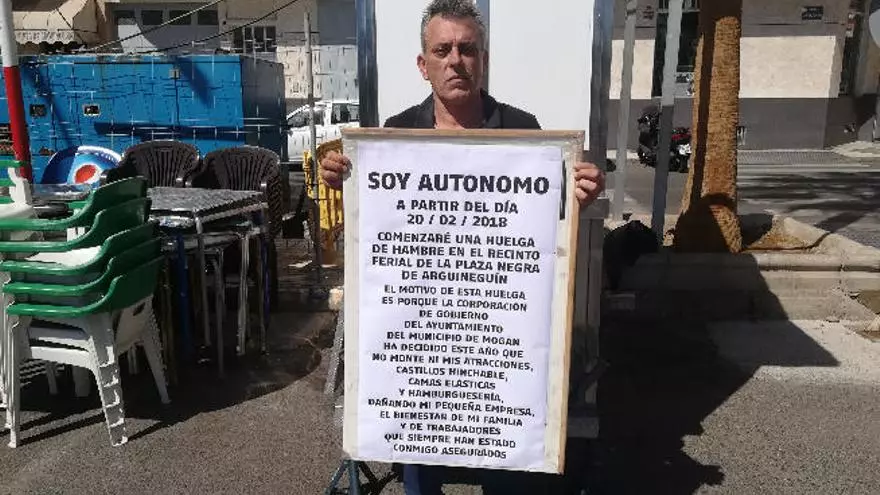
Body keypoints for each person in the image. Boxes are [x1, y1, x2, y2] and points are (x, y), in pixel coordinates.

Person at [320, 1, 605, 493]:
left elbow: (546, 219)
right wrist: (342, 177)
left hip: (493, 332)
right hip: (423, 333)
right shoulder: (394, 134)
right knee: (419, 459)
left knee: (505, 456)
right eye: (442, 50)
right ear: (423, 64)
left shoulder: (523, 129)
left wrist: (580, 192)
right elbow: (376, 221)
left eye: (467, 49)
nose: (456, 60)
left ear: (483, 60)